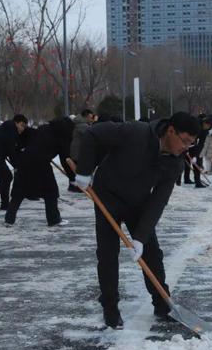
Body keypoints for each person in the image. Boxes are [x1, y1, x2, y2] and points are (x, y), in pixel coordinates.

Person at [74, 112, 200, 328]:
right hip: (107, 197)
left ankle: (163, 304)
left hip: (138, 203)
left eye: (191, 144)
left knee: (152, 253)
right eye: (185, 141)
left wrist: (140, 237)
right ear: (171, 131)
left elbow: (158, 201)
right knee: (107, 254)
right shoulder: (136, 132)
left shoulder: (175, 164)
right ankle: (110, 307)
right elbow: (93, 134)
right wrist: (84, 171)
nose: (186, 148)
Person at [4, 117, 74, 227]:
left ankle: (9, 219)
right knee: (51, 192)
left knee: (19, 192)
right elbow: (65, 160)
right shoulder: (63, 137)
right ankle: (54, 220)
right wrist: (72, 177)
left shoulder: (43, 128)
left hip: (24, 162)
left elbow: (27, 138)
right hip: (41, 165)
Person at [0, 114, 28, 210]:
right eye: (22, 125)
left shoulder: (9, 128)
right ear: (16, 122)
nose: (23, 128)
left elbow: (13, 149)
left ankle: (5, 204)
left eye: (24, 126)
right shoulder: (11, 129)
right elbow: (11, 150)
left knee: (6, 177)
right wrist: (16, 165)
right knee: (7, 178)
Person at [65, 109, 96, 193]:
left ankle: (75, 186)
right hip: (79, 152)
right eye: (91, 116)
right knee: (83, 170)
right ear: (86, 116)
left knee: (78, 170)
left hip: (76, 151)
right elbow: (93, 133)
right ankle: (82, 187)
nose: (92, 118)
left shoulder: (79, 123)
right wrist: (96, 123)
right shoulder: (82, 125)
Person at [183, 115, 212, 188]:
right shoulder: (195, 125)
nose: (208, 128)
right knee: (186, 162)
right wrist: (185, 147)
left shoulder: (205, 131)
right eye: (207, 126)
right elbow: (186, 135)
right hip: (185, 142)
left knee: (197, 162)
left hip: (194, 146)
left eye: (209, 127)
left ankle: (197, 182)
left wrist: (196, 155)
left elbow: (201, 143)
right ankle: (185, 179)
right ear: (204, 123)